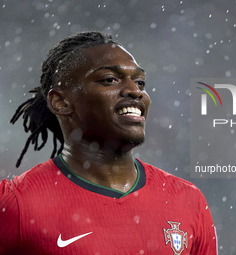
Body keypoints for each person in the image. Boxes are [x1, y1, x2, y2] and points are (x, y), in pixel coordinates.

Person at [0, 31, 217, 255]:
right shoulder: (15, 204)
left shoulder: (188, 200)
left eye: (140, 82)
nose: (135, 91)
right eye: (109, 80)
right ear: (61, 102)